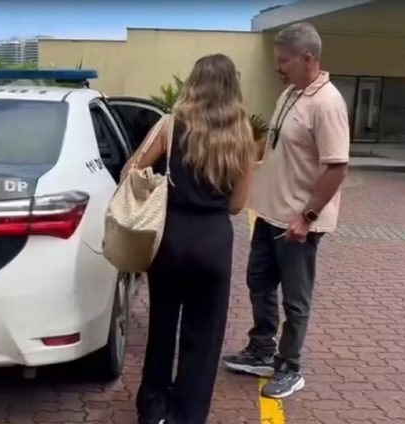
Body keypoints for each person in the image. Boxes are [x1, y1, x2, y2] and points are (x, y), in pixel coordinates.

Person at [123, 54, 256, 424]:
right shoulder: (243, 133)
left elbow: (132, 169)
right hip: (213, 240)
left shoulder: (171, 124)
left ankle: (153, 408)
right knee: (205, 335)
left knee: (162, 326)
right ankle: (187, 414)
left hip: (171, 236)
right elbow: (237, 205)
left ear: (194, 82)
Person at [221, 22, 350, 399]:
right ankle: (262, 350)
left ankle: (290, 367)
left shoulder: (327, 103)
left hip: (298, 222)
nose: (278, 67)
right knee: (259, 283)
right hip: (269, 214)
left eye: (284, 61)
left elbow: (337, 167)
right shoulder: (291, 93)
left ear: (308, 59)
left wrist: (306, 217)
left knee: (296, 299)